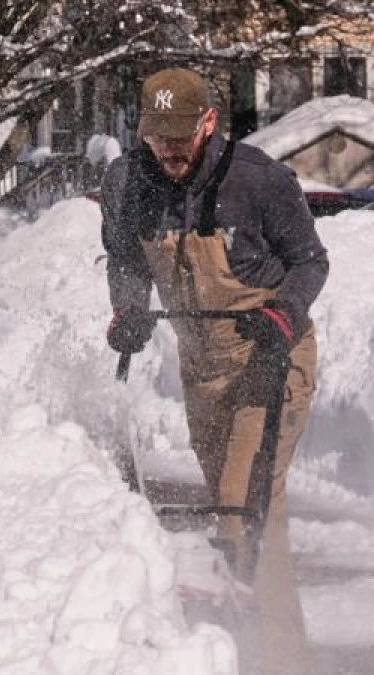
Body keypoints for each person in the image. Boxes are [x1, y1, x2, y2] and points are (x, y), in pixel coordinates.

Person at [100, 68, 328, 675]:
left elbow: (310, 261)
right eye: (158, 137)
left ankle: (279, 662)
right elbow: (126, 261)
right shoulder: (127, 183)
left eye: (181, 135)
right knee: (232, 516)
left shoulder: (258, 181)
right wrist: (127, 308)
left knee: (245, 506)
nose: (170, 150)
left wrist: (282, 314)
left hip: (272, 357)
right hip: (202, 369)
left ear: (209, 123)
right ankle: (234, 649)